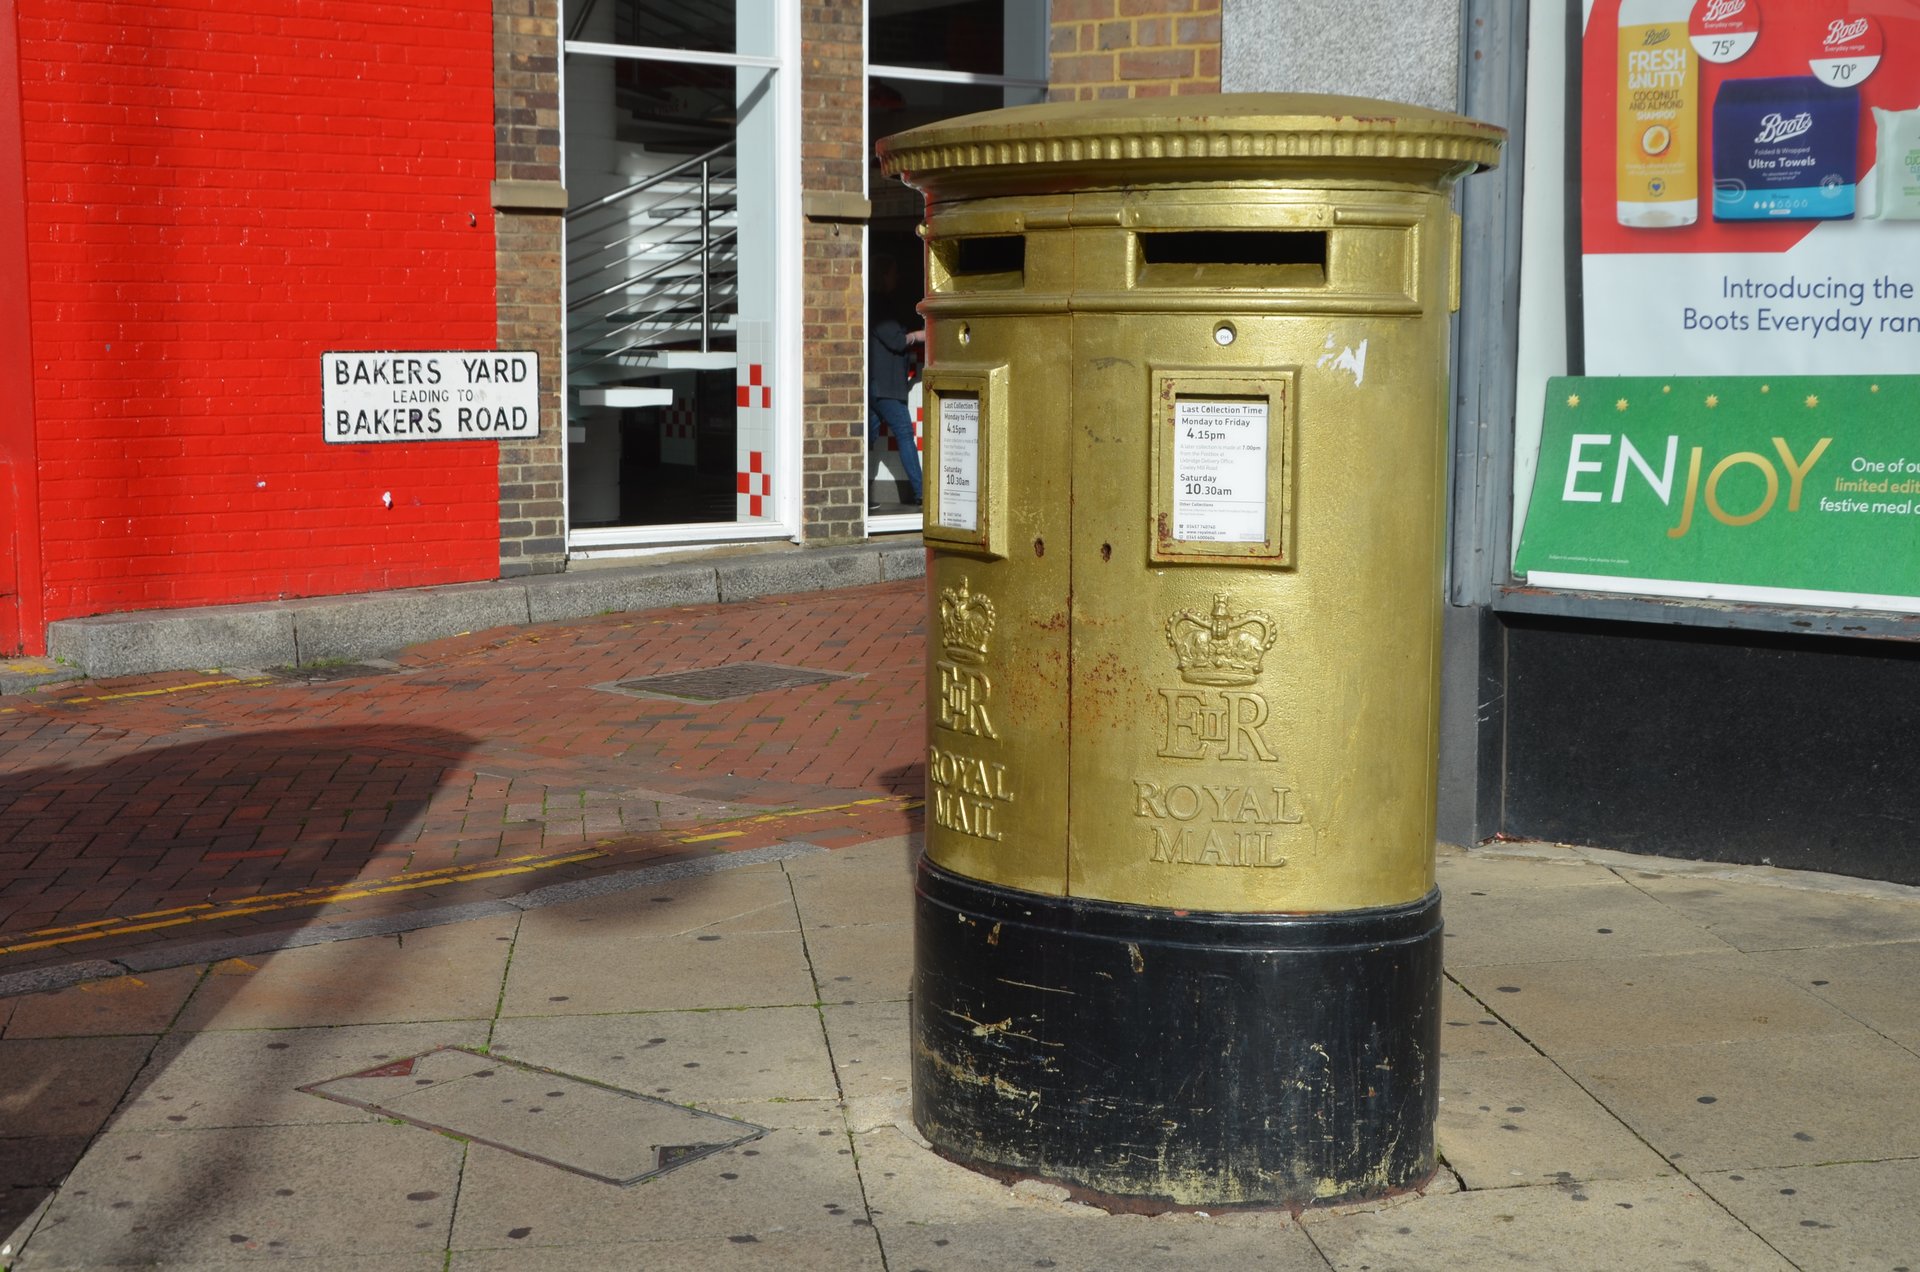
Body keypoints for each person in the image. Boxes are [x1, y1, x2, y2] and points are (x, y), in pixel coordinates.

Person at [868, 256, 924, 506]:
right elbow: (895, 340)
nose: (897, 277)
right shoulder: (880, 305)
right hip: (885, 386)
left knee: (867, 437)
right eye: (893, 272)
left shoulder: (876, 303)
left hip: (876, 385)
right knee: (904, 434)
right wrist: (918, 336)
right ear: (884, 275)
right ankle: (922, 493)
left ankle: (859, 492)